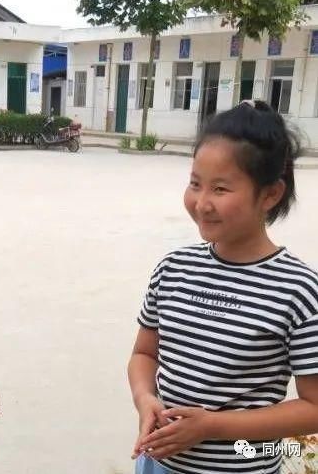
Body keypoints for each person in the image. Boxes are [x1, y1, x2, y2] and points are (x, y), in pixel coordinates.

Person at [128, 100, 318, 474]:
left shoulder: (298, 290)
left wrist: (214, 427)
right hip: (158, 463)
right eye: (195, 183)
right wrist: (145, 397)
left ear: (270, 194)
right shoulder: (174, 269)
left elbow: (314, 409)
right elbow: (144, 354)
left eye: (220, 189)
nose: (201, 203)